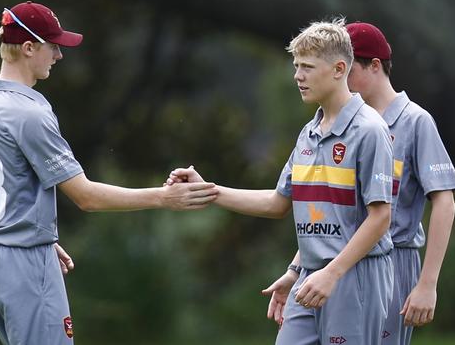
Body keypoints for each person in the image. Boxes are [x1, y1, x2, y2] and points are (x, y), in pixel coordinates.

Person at [0, 1, 218, 345]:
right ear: (27, 48)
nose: (58, 55)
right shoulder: (28, 113)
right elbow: (86, 197)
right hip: (23, 261)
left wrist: (35, 234)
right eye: (53, 47)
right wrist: (163, 197)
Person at [168, 18, 395, 345]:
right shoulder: (309, 133)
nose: (297, 76)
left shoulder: (369, 130)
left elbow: (380, 217)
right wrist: (208, 191)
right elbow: (278, 203)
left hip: (354, 277)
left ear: (338, 68)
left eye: (307, 67)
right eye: (296, 66)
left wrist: (332, 273)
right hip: (309, 277)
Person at [344, 22, 455, 344]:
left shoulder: (415, 121)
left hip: (396, 259)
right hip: (346, 258)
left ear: (375, 65)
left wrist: (427, 284)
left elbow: (445, 202)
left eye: (348, 70)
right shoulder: (350, 123)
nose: (342, 79)